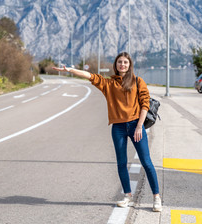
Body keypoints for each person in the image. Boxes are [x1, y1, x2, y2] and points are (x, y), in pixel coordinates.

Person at [52, 52, 162, 212]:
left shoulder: (138, 81)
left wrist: (139, 126)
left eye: (125, 62)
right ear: (116, 65)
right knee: (121, 163)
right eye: (119, 62)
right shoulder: (109, 84)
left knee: (146, 162)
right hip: (118, 128)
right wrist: (70, 70)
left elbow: (145, 104)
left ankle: (156, 197)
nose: (122, 65)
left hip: (135, 125)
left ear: (129, 65)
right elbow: (90, 76)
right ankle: (127, 196)